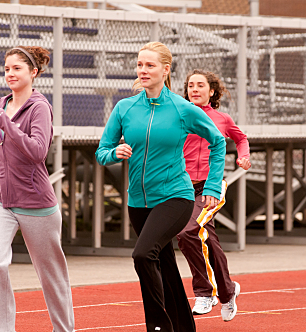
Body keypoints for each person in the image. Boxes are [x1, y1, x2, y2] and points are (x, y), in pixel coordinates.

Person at [96, 42, 227, 332]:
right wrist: (113, 153)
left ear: (165, 69)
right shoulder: (125, 108)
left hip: (175, 197)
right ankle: (184, 327)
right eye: (140, 65)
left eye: (150, 65)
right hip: (138, 203)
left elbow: (218, 141)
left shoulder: (182, 109)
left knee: (143, 255)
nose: (143, 70)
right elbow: (101, 151)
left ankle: (158, 326)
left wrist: (213, 185)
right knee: (164, 265)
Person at [0, 46, 75, 332]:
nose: (10, 74)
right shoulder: (2, 103)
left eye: (17, 68)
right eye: (7, 68)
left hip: (35, 202)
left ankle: (64, 329)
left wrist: (6, 123)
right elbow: (4, 141)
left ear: (33, 72)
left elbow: (37, 151)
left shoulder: (40, 107)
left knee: (51, 274)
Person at [176, 69, 250, 320]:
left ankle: (204, 293)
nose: (194, 89)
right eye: (190, 86)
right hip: (183, 186)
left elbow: (241, 138)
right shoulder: (179, 116)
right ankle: (228, 291)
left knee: (187, 231)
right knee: (208, 240)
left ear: (211, 91)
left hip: (211, 186)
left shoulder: (222, 119)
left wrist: (244, 156)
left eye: (200, 85)